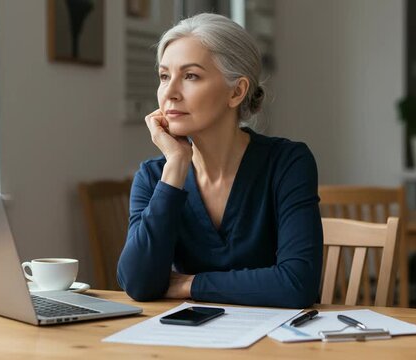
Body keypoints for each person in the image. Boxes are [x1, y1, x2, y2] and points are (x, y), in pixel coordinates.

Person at [117, 13, 322, 308]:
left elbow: (296, 284)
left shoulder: (288, 163)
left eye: (191, 76)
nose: (170, 93)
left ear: (237, 91)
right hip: (186, 343)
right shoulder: (154, 177)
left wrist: (190, 283)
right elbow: (137, 283)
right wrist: (175, 164)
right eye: (164, 76)